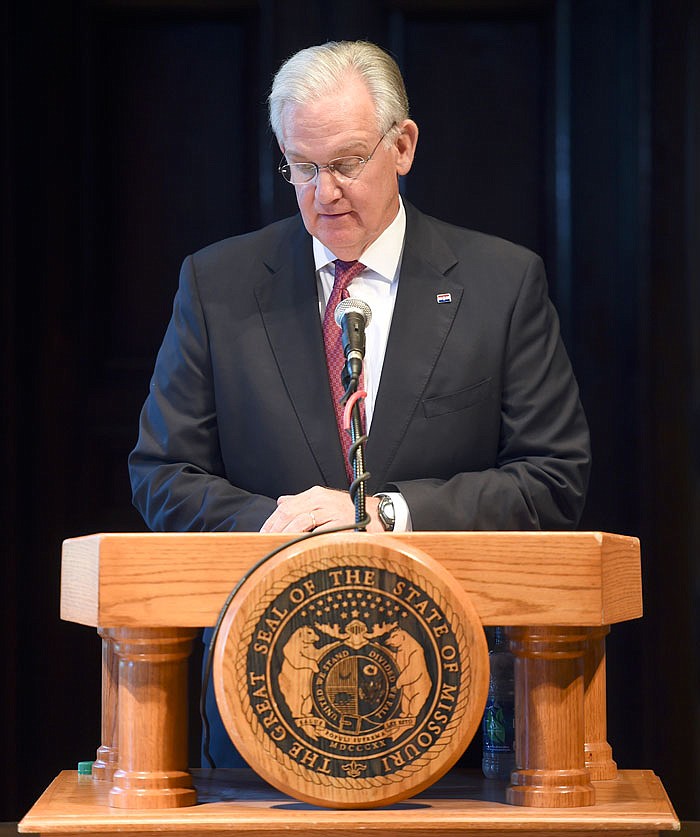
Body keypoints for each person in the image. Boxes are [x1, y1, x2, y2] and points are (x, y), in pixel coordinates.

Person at [128, 40, 591, 766]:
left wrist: (381, 514)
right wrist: (282, 526)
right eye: (302, 167)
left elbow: (553, 479)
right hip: (263, 703)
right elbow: (162, 473)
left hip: (456, 701)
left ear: (402, 145)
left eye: (346, 163)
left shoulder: (503, 285)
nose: (325, 191)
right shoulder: (217, 285)